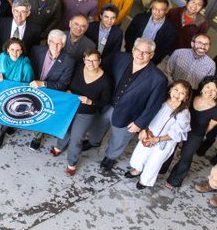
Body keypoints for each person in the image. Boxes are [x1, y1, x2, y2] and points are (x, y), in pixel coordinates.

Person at [96, 38, 169, 172]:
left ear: (151, 55)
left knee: (119, 139)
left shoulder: (158, 78)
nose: (140, 54)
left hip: (129, 116)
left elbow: (154, 105)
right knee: (98, 126)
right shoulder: (119, 57)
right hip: (107, 105)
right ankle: (93, 142)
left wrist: (140, 123)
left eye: (145, 52)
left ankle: (111, 157)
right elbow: (100, 72)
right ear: (133, 50)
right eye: (138, 50)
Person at [54, 50, 113, 175]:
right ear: (84, 60)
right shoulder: (78, 68)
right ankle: (59, 146)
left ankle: (72, 162)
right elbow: (68, 82)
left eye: (94, 60)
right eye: (88, 60)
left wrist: (91, 102)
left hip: (86, 112)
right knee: (64, 129)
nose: (90, 63)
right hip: (70, 106)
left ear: (99, 61)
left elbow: (105, 101)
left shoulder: (106, 80)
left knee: (77, 138)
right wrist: (68, 90)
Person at [127, 80, 192, 189]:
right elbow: (147, 114)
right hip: (148, 134)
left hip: (164, 142)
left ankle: (145, 180)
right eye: (176, 89)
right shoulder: (160, 101)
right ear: (170, 89)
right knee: (141, 153)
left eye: (182, 93)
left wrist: (157, 139)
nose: (177, 94)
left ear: (186, 97)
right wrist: (143, 129)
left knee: (154, 162)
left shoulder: (183, 113)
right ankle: (137, 169)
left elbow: (177, 133)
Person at [164, 76, 217, 189]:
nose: (209, 91)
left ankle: (175, 180)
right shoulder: (192, 95)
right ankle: (162, 168)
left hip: (196, 133)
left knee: (186, 156)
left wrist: (199, 136)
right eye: (208, 87)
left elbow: (209, 128)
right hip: (179, 127)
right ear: (202, 87)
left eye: (214, 90)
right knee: (170, 148)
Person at [27, 31, 76, 151]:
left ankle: (37, 137)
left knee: (41, 115)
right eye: (53, 42)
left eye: (59, 44)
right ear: (48, 42)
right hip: (31, 86)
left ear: (63, 45)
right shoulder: (36, 50)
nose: (55, 46)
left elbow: (63, 84)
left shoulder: (69, 61)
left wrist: (43, 84)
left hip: (50, 92)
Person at [0, 38, 34, 148]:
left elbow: (27, 86)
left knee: (8, 114)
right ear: (7, 49)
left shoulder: (26, 66)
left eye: (18, 50)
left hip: (14, 95)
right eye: (12, 49)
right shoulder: (2, 57)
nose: (15, 53)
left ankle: (1, 133)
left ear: (21, 51)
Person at [123, 0, 178, 64]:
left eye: (161, 10)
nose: (157, 12)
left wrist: (152, 61)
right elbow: (129, 34)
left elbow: (164, 49)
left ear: (166, 11)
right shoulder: (140, 17)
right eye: (155, 8)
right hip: (131, 53)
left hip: (150, 60)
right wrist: (131, 51)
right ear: (151, 7)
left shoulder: (171, 29)